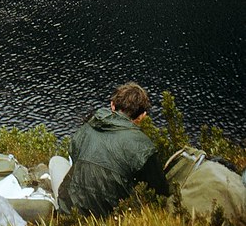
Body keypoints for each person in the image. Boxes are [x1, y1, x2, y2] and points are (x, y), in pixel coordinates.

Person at [54, 81, 169, 216]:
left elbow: (73, 155)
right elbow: (160, 190)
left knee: (56, 161)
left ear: (112, 105)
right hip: (111, 216)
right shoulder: (143, 146)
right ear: (142, 116)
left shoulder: (88, 126)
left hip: (70, 211)